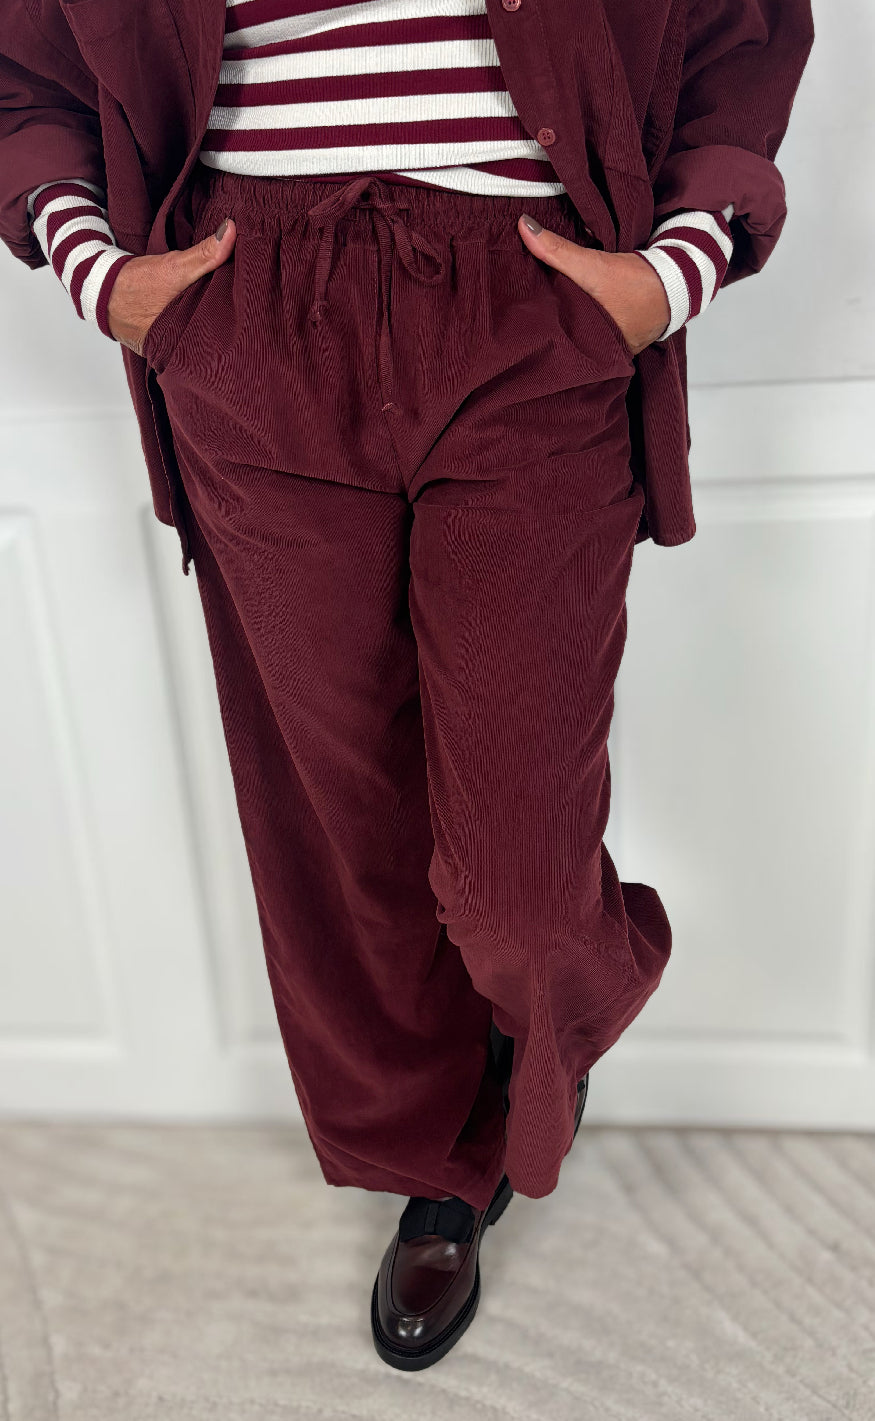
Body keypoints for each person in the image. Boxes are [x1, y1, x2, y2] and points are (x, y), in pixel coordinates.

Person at [0, 0, 815, 1372]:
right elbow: (23, 68)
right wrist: (99, 274)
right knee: (346, 823)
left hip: (529, 300)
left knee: (516, 887)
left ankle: (553, 1005)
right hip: (246, 311)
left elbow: (744, 30)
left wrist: (678, 265)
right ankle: (437, 1164)